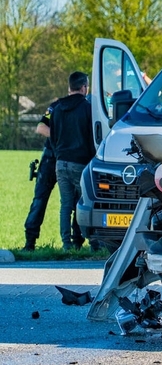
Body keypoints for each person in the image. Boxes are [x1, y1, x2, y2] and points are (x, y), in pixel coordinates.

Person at [22, 99, 84, 250]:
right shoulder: (56, 107)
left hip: (67, 157)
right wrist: (60, 136)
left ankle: (76, 242)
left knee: (75, 201)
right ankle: (30, 241)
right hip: (52, 157)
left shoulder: (82, 106)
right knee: (40, 199)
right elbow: (41, 127)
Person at [50, 72, 96, 251]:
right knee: (85, 203)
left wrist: (59, 155)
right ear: (84, 87)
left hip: (61, 163)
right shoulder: (87, 108)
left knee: (66, 205)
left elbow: (52, 138)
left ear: (70, 87)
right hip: (81, 163)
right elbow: (92, 137)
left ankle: (66, 245)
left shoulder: (57, 108)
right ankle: (93, 243)